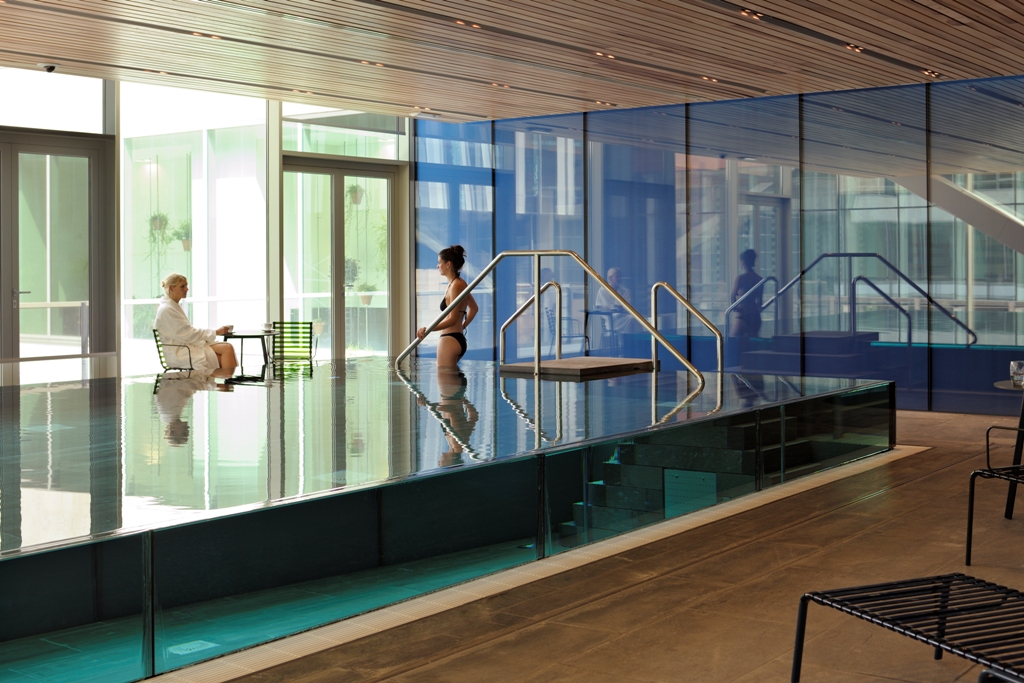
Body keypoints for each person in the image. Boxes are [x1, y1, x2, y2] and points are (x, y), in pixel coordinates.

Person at [155, 273, 238, 372]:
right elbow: (188, 334)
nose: (187, 289)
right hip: (180, 351)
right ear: (171, 288)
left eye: (186, 285)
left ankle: (227, 380)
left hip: (185, 346)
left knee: (227, 348)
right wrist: (216, 332)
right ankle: (227, 380)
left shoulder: (172, 307)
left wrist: (213, 333)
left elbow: (186, 333)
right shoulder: (167, 310)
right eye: (182, 286)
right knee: (226, 349)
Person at [416, 245, 478, 367]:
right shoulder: (458, 283)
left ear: (448, 264)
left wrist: (428, 330)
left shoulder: (456, 285)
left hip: (449, 340)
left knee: (444, 377)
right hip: (456, 338)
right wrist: (462, 326)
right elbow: (474, 308)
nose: (437, 266)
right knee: (451, 378)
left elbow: (452, 319)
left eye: (440, 263)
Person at [594, 266, 636, 338]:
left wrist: (622, 309)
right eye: (617, 277)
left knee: (634, 319)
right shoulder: (602, 291)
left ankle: (632, 339)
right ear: (610, 278)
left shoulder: (625, 291)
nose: (620, 279)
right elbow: (600, 307)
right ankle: (625, 340)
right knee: (631, 319)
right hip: (611, 320)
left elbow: (628, 307)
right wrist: (612, 309)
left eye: (620, 277)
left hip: (623, 317)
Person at [730, 249, 763, 339]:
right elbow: (760, 302)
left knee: (733, 340)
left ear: (743, 262)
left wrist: (735, 308)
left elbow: (732, 296)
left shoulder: (741, 278)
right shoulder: (759, 279)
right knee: (752, 343)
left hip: (743, 315)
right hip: (755, 316)